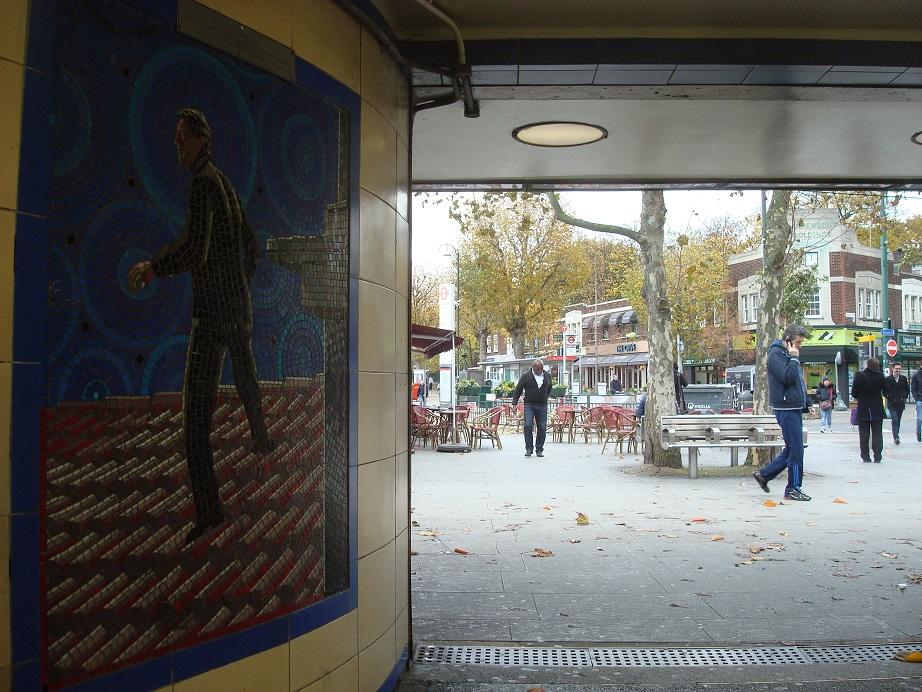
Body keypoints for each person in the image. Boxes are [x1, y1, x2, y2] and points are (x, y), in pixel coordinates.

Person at [129, 108, 273, 544]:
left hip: (212, 313)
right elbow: (251, 245)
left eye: (181, 137)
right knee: (245, 374)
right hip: (237, 306)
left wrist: (154, 267)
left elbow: (195, 249)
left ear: (199, 140)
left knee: (195, 416)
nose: (176, 144)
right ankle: (261, 438)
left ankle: (209, 513)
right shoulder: (223, 182)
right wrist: (238, 281)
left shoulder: (201, 184)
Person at [752, 324, 811, 501]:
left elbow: (798, 381)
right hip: (786, 408)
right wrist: (794, 358)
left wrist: (806, 402)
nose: (800, 346)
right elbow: (787, 377)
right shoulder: (776, 354)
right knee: (796, 450)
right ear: (788, 340)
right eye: (798, 342)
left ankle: (764, 475)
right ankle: (793, 488)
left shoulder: (787, 354)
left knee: (793, 448)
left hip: (793, 406)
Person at [511, 359, 553, 458]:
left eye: (541, 369)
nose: (540, 371)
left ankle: (539, 449)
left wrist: (546, 397)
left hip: (542, 405)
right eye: (538, 369)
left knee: (542, 427)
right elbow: (518, 389)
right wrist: (514, 404)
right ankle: (529, 448)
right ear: (533, 367)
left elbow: (550, 387)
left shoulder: (547, 375)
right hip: (529, 404)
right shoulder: (526, 376)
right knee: (528, 425)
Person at [851, 357, 887, 463]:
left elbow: (854, 393)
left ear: (867, 365)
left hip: (863, 408)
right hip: (877, 408)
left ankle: (865, 456)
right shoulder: (880, 376)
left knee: (863, 434)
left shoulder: (859, 376)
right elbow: (886, 391)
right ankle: (878, 456)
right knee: (877, 433)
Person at [884, 362, 910, 445]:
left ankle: (896, 435)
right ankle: (896, 437)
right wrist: (889, 396)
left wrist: (903, 397)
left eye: (899, 368)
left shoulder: (903, 379)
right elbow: (884, 391)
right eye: (896, 368)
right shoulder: (888, 379)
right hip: (892, 403)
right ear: (892, 369)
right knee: (894, 419)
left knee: (898, 420)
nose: (898, 370)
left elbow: (907, 390)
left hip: (900, 403)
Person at [912, 367, 922, 442]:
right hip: (919, 399)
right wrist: (916, 398)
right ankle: (918, 432)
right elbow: (913, 388)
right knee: (920, 418)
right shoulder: (916, 375)